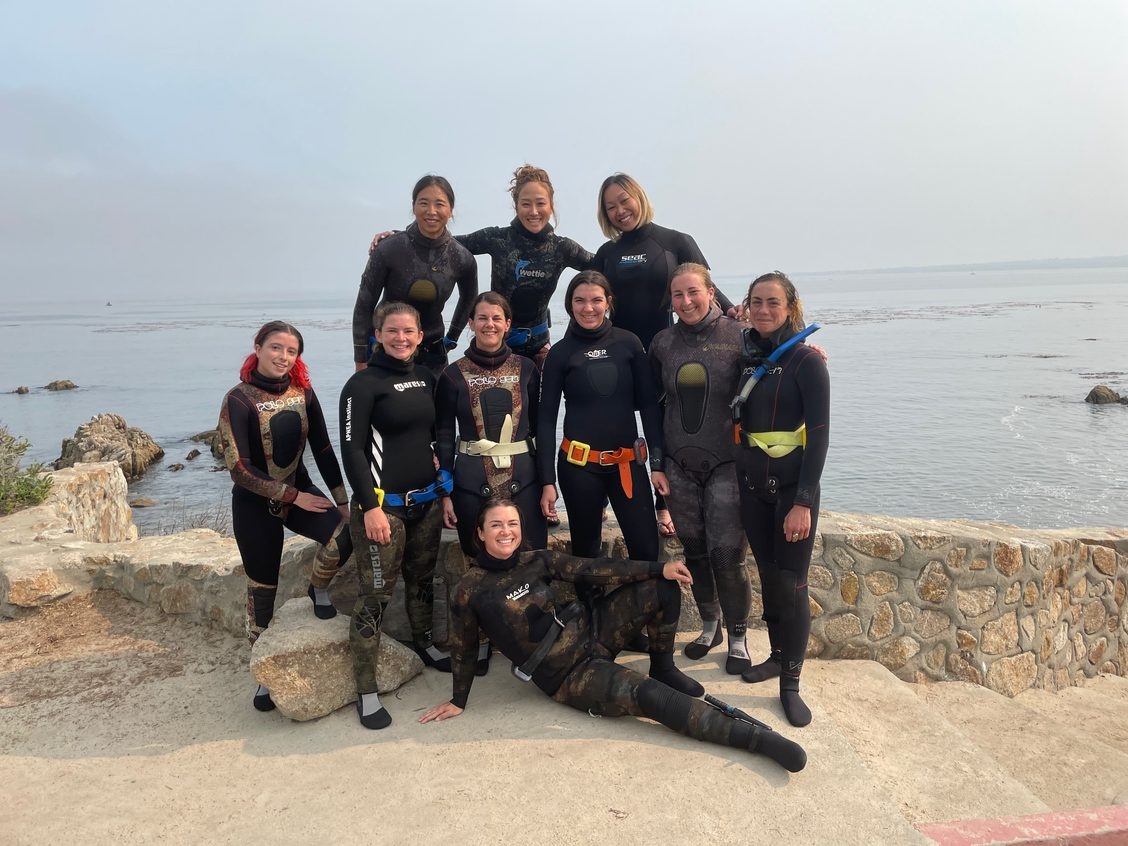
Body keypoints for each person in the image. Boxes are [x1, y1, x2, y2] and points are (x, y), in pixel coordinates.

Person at [418, 499, 806, 773]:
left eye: (512, 524)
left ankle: (663, 666)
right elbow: (463, 647)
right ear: (480, 533)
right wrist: (458, 700)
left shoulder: (535, 560)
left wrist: (658, 567)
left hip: (592, 632)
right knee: (650, 698)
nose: (506, 531)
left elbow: (594, 569)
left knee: (661, 586)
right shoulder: (470, 590)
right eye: (496, 525)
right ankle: (755, 739)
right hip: (569, 676)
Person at [216, 321, 352, 712]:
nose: (283, 357)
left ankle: (317, 588)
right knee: (263, 590)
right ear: (258, 347)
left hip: (298, 491)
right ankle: (264, 675)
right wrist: (294, 497)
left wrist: (341, 501)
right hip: (254, 504)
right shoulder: (238, 400)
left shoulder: (303, 392)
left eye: (292, 351)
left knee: (344, 535)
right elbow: (239, 469)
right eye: (276, 348)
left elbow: (323, 449)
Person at [592, 173, 736, 537]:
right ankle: (603, 498)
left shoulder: (675, 241)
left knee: (664, 425)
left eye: (624, 201)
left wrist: (736, 315)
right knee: (611, 425)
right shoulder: (606, 254)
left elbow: (707, 289)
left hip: (668, 350)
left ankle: (663, 504)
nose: (620, 210)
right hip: (620, 354)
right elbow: (592, 301)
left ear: (639, 198)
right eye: (611, 207)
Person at [339, 302, 454, 730]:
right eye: (392, 330)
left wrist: (444, 494)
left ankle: (425, 643)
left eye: (408, 331)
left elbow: (435, 438)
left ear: (421, 336)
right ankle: (366, 689)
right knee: (375, 597)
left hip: (425, 502)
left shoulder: (426, 377)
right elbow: (352, 449)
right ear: (378, 334)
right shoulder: (361, 384)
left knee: (421, 579)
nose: (401, 338)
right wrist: (369, 507)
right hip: (383, 508)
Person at [371, 164, 595, 370]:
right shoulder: (497, 239)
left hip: (538, 349)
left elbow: (602, 264)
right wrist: (399, 237)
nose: (534, 211)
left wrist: (577, 331)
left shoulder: (562, 248)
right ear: (516, 205)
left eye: (540, 203)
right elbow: (444, 243)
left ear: (551, 205)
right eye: (526, 204)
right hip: (494, 344)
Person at [734, 271, 830, 728]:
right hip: (752, 488)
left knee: (792, 586)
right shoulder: (746, 356)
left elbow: (820, 437)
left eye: (773, 302)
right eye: (756, 302)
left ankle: (790, 683)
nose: (764, 310)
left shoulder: (808, 362)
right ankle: (775, 656)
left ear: (791, 307)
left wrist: (804, 503)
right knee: (770, 578)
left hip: (792, 492)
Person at [649, 263, 753, 675]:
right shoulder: (662, 343)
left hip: (728, 464)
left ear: (711, 292)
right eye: (678, 294)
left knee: (727, 557)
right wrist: (657, 462)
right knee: (694, 552)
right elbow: (653, 408)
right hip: (679, 465)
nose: (686, 301)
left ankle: (739, 637)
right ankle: (711, 627)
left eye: (694, 292)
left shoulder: (740, 335)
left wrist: (809, 352)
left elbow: (780, 365)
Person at [436, 291, 545, 674]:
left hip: (523, 476)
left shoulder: (527, 368)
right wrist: (446, 491)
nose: (489, 325)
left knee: (530, 558)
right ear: (470, 323)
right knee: (477, 562)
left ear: (508, 324)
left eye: (497, 318)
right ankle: (482, 641)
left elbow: (540, 427)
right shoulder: (452, 374)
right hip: (471, 479)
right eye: (482, 318)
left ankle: (533, 641)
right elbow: (444, 436)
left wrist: (548, 483)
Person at [537, 271, 666, 565]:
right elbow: (546, 420)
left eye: (596, 300)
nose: (588, 308)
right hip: (578, 467)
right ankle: (590, 598)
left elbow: (649, 406)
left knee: (647, 552)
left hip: (627, 464)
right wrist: (547, 481)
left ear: (608, 302)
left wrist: (658, 465)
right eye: (579, 301)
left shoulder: (629, 343)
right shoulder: (560, 354)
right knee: (586, 555)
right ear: (570, 305)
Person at [352, 175, 478, 376]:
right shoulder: (388, 249)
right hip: (386, 352)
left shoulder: (462, 258)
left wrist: (452, 338)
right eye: (424, 203)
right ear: (413, 206)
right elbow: (364, 305)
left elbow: (469, 299)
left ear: (451, 210)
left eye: (439, 204)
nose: (431, 211)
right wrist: (360, 359)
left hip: (432, 356)